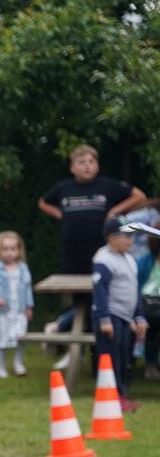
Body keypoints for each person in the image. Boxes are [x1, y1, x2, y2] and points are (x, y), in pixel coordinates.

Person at [39, 143, 145, 364]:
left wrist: (115, 211)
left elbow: (139, 196)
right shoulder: (64, 188)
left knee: (102, 300)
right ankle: (75, 350)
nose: (87, 166)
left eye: (91, 162)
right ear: (72, 167)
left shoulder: (107, 186)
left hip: (101, 256)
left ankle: (99, 352)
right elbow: (42, 202)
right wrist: (61, 215)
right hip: (73, 256)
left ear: (97, 166)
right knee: (80, 303)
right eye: (81, 162)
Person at [93, 217, 146, 410]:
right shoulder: (103, 259)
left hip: (126, 318)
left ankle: (122, 394)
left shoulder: (130, 260)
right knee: (111, 357)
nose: (131, 241)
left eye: (133, 236)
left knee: (124, 357)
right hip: (111, 317)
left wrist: (139, 316)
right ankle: (111, 395)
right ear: (112, 238)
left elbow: (135, 290)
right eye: (126, 236)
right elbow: (100, 291)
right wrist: (104, 319)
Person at [0, 231, 34, 379]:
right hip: (1, 312)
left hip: (19, 312)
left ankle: (18, 363)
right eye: (5, 249)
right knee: (1, 341)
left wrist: (29, 306)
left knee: (20, 338)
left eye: (13, 249)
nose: (9, 253)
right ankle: (1, 367)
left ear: (19, 250)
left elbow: (28, 288)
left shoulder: (23, 269)